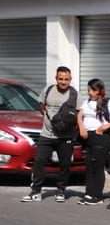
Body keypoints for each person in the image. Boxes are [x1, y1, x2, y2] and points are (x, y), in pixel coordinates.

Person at [21, 66, 78, 203]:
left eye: (66, 79)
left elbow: (78, 114)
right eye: (60, 79)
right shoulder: (48, 90)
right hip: (46, 135)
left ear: (70, 79)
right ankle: (36, 191)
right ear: (56, 78)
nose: (63, 82)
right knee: (39, 162)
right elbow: (41, 105)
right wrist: (49, 118)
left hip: (65, 137)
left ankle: (61, 190)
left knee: (65, 165)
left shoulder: (74, 94)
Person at [76, 78, 110, 205]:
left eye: (93, 90)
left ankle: (97, 196)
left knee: (98, 165)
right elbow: (80, 115)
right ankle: (89, 193)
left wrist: (104, 127)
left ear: (100, 90)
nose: (90, 92)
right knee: (89, 165)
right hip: (88, 136)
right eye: (89, 90)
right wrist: (81, 128)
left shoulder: (109, 103)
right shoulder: (86, 102)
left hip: (101, 136)